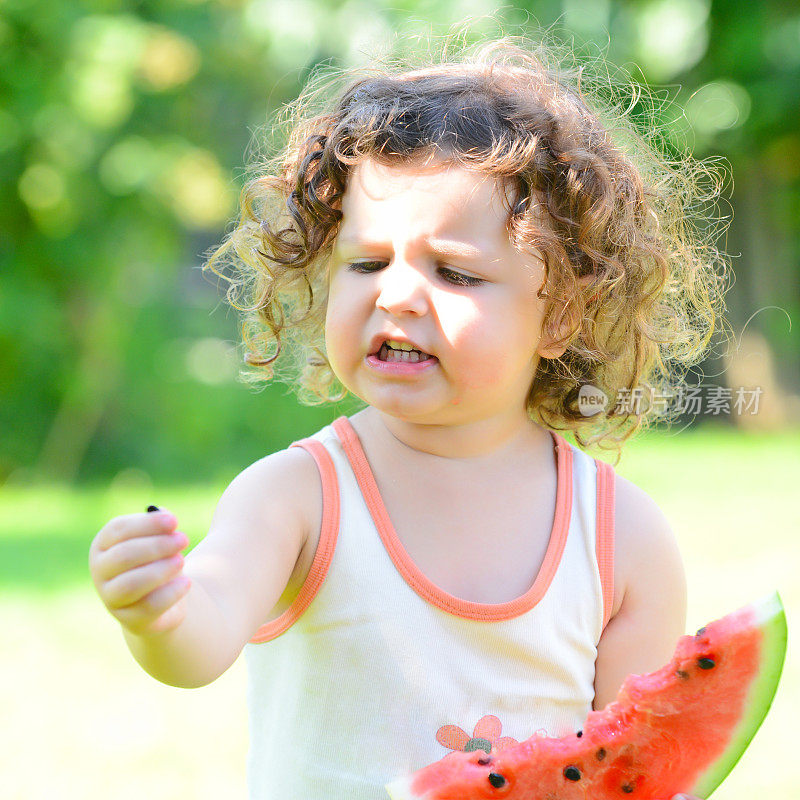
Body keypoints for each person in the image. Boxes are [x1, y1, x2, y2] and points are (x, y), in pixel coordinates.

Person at [88, 28, 730, 800]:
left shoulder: (622, 540)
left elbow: (633, 772)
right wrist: (159, 616)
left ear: (561, 313)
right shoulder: (296, 497)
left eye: (454, 272)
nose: (394, 295)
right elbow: (202, 643)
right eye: (366, 263)